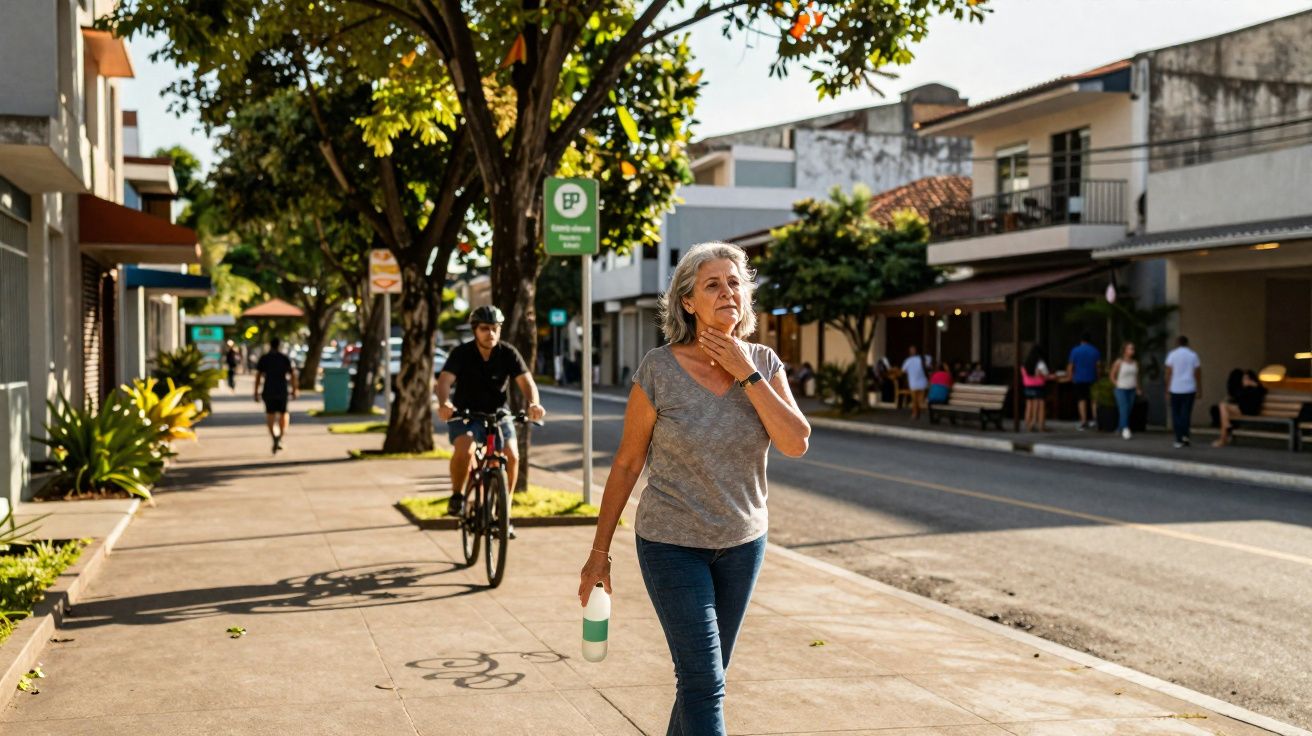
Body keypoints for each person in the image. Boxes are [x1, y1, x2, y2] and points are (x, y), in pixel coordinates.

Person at [577, 242, 810, 736]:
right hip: (670, 544)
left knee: (704, 681)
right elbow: (626, 463)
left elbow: (795, 442)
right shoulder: (659, 369)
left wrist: (746, 372)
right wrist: (600, 551)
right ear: (688, 302)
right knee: (705, 682)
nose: (727, 291)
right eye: (712, 284)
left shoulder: (764, 363)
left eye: (734, 283)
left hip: (743, 544)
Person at [435, 305, 547, 516]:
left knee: (512, 456)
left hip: (497, 414)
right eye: (485, 328)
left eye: (495, 328)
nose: (491, 333)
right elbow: (444, 381)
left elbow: (526, 382)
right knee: (465, 449)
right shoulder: (462, 353)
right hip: (465, 414)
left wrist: (533, 403)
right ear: (475, 330)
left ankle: (505, 508)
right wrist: (444, 404)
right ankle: (457, 495)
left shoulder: (508, 353)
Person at [253, 338, 298, 454]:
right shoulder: (284, 358)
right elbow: (293, 375)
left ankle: (274, 437)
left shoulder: (264, 358)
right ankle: (280, 437)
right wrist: (294, 389)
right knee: (284, 414)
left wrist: (255, 392)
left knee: (270, 415)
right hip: (282, 390)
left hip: (268, 390)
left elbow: (258, 376)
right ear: (279, 346)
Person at [1164, 335, 1202, 449]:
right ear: (1187, 343)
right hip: (1189, 388)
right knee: (1186, 413)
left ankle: (1179, 438)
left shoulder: (1172, 355)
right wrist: (1199, 388)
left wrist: (1167, 389)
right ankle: (1185, 435)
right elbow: (1197, 373)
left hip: (1175, 388)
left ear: (1177, 343)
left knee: (1176, 414)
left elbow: (1168, 373)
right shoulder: (1193, 355)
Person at [1213, 370, 1265, 447]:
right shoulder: (1243, 389)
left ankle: (1224, 437)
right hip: (1241, 410)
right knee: (1223, 407)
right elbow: (1238, 398)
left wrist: (1255, 385)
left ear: (1251, 379)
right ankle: (1225, 431)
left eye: (1246, 378)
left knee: (1223, 410)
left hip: (1251, 411)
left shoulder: (1257, 388)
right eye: (1243, 378)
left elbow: (1263, 392)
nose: (1244, 380)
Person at [1065, 333, 1102, 430]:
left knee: (1082, 400)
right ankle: (1096, 420)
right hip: (1092, 378)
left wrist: (1070, 376)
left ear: (1081, 340)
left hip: (1079, 378)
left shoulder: (1075, 351)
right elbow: (1098, 366)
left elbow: (1071, 365)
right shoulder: (1095, 351)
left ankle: (1084, 421)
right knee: (1094, 400)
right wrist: (1098, 377)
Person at [1110, 342, 1142, 440]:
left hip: (1131, 388)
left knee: (1128, 409)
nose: (1132, 350)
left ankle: (1119, 428)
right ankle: (1125, 429)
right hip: (1121, 389)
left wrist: (1138, 388)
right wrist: (1117, 384)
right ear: (1125, 350)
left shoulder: (1135, 363)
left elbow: (1136, 377)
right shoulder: (1119, 362)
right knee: (1123, 408)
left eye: (1133, 349)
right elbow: (1112, 375)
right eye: (1130, 349)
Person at [1020, 345, 1051, 432]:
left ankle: (1028, 425)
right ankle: (1041, 426)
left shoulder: (1025, 363)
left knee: (1029, 405)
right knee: (1041, 406)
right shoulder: (1040, 363)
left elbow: (1023, 374)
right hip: (1039, 386)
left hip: (1028, 385)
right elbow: (1045, 374)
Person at [901, 345, 930, 419]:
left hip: (917, 382)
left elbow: (903, 371)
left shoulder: (909, 361)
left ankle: (915, 414)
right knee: (916, 400)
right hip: (917, 382)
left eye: (913, 350)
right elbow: (928, 366)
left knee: (916, 400)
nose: (912, 351)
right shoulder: (922, 359)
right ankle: (916, 414)